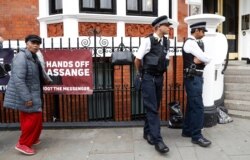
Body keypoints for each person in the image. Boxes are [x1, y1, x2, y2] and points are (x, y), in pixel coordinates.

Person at [3, 34, 49, 155]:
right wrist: (26, 98)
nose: (35, 45)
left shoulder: (33, 57)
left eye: (38, 43)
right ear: (27, 43)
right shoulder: (21, 57)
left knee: (34, 119)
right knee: (32, 120)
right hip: (28, 95)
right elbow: (18, 80)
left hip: (35, 92)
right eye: (33, 42)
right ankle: (23, 144)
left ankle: (32, 139)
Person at [134, 15, 171, 153]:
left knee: (154, 107)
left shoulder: (167, 42)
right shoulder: (147, 41)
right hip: (148, 78)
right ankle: (158, 140)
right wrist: (142, 74)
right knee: (152, 109)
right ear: (158, 27)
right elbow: (137, 60)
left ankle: (147, 133)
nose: (168, 27)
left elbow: (167, 60)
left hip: (159, 78)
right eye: (166, 25)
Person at [182, 22, 212, 147]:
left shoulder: (195, 43)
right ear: (197, 31)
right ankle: (197, 136)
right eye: (202, 31)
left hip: (194, 78)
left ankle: (187, 130)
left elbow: (203, 59)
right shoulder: (191, 43)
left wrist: (202, 59)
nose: (204, 34)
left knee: (191, 106)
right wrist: (203, 59)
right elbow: (207, 58)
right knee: (198, 107)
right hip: (193, 78)